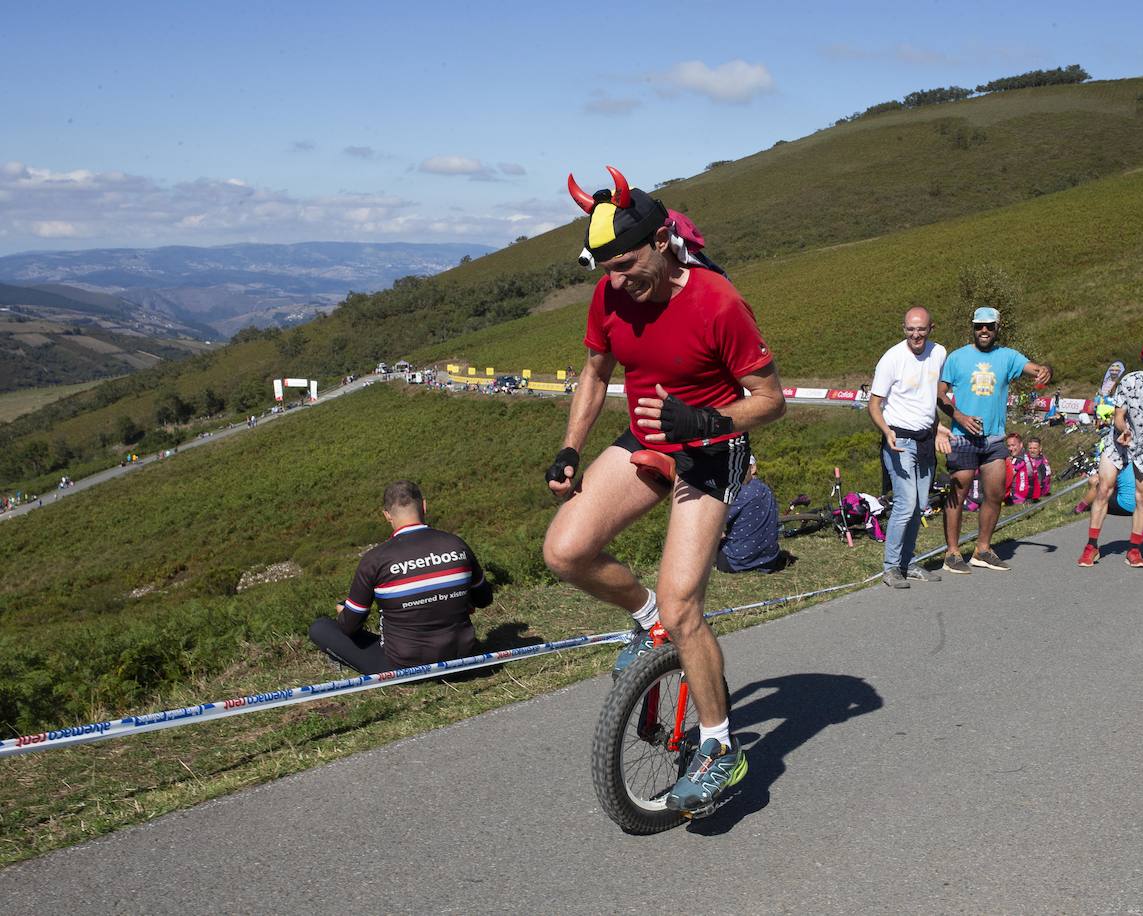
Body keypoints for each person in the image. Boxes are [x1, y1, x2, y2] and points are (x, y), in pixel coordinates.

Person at [544, 166, 785, 814]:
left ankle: (719, 746)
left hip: (711, 450)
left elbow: (770, 400)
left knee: (688, 609)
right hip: (649, 439)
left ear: (660, 242)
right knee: (565, 550)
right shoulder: (611, 293)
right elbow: (596, 376)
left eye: (625, 264)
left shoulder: (716, 302)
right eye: (604, 270)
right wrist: (571, 447)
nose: (616, 281)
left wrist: (709, 419)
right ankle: (647, 622)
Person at [309, 481, 492, 674]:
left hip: (404, 668)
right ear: (424, 506)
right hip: (464, 657)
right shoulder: (456, 544)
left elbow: (349, 627)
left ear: (387, 515)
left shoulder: (375, 559)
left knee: (320, 628)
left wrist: (344, 613)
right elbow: (484, 599)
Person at [937, 306, 1052, 573]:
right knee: (958, 493)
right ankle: (952, 553)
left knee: (995, 493)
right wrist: (960, 416)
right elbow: (940, 394)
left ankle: (983, 549)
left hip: (995, 439)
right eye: (979, 326)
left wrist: (1045, 369)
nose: (984, 330)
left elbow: (1035, 368)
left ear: (997, 328)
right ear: (973, 328)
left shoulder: (1008, 357)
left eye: (989, 326)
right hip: (963, 437)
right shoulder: (957, 357)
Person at [1077, 342, 1143, 570]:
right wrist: (1123, 430)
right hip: (1118, 443)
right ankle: (1091, 546)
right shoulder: (1130, 381)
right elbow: (1119, 415)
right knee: (1104, 489)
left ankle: (1134, 550)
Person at [867, 305, 949, 588]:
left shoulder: (939, 353)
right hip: (899, 439)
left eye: (921, 329)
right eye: (910, 329)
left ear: (930, 329)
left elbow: (930, 396)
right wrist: (887, 431)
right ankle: (890, 568)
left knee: (920, 506)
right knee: (906, 503)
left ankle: (908, 563)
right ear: (904, 329)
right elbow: (874, 405)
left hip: (925, 438)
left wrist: (938, 426)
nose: (916, 335)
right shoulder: (892, 358)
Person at [717, 456, 794, 574]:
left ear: (753, 468)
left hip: (736, 562)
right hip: (769, 561)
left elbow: (713, 521)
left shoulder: (741, 492)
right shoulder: (767, 490)